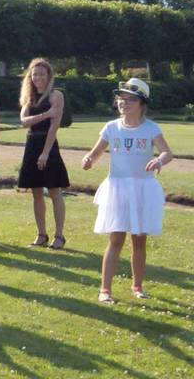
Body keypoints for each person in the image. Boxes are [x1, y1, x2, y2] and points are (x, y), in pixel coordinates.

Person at [82, 79, 173, 304]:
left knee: (139, 240)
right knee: (116, 239)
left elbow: (167, 153)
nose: (124, 103)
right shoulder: (111, 127)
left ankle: (137, 286)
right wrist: (89, 159)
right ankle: (105, 290)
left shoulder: (151, 128)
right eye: (121, 99)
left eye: (130, 99)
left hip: (143, 188)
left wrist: (159, 161)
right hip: (118, 188)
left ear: (142, 103)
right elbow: (96, 152)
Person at [17, 58, 70, 250]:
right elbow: (24, 122)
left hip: (48, 144)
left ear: (49, 76)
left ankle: (59, 235)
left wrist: (46, 153)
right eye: (34, 74)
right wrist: (45, 114)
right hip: (31, 144)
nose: (37, 77)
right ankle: (41, 234)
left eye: (41, 74)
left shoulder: (56, 96)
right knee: (36, 192)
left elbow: (54, 127)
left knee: (55, 191)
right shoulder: (29, 97)